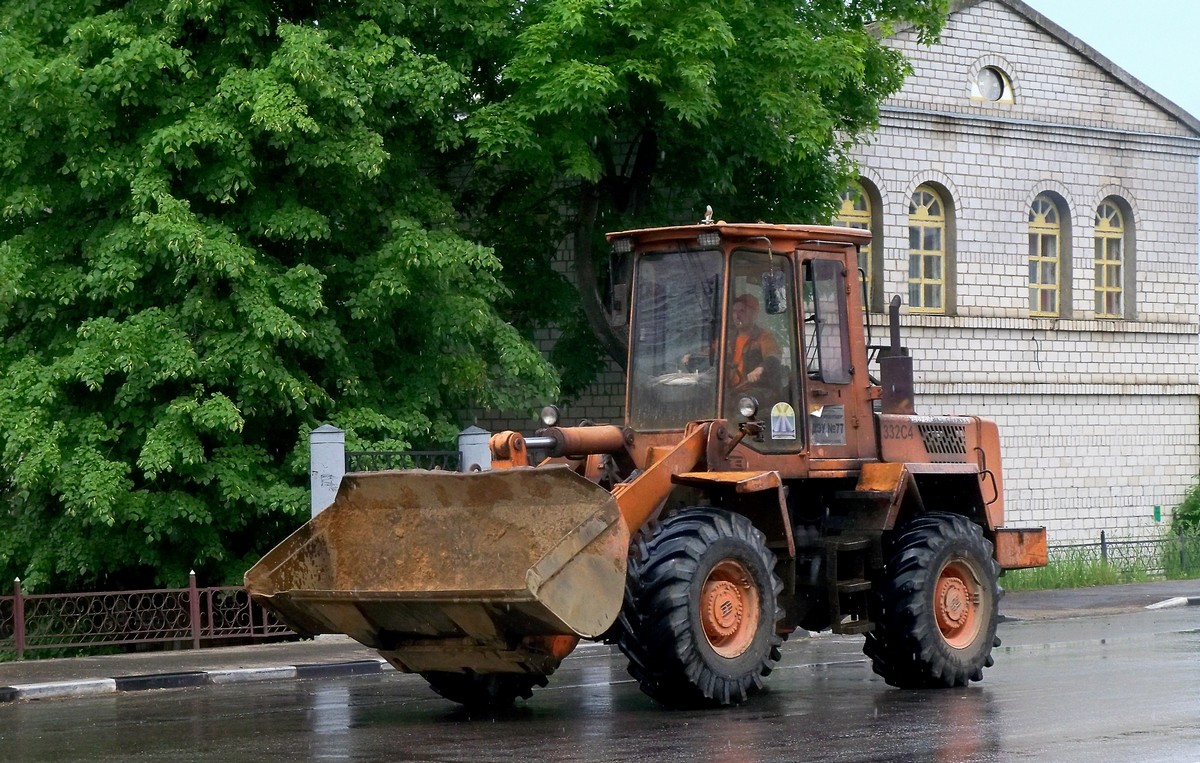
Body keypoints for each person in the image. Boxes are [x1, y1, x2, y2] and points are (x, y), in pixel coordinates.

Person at [728, 293, 781, 391]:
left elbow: (773, 357)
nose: (737, 316)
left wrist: (760, 369)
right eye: (734, 311)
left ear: (754, 314)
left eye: (742, 311)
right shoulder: (726, 339)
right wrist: (691, 358)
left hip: (752, 391)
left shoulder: (764, 336)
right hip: (728, 392)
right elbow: (709, 353)